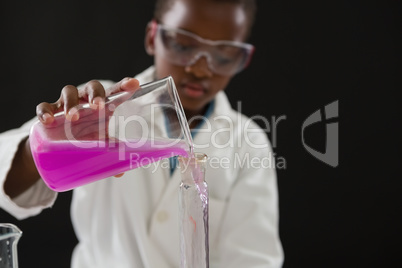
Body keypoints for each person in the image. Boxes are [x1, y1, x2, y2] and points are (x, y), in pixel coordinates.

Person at [0, 0, 284, 267]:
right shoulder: (100, 111)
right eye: (183, 45)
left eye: (223, 56)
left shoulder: (249, 142)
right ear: (152, 37)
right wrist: (51, 143)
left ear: (241, 59)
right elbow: (7, 177)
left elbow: (254, 258)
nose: (199, 69)